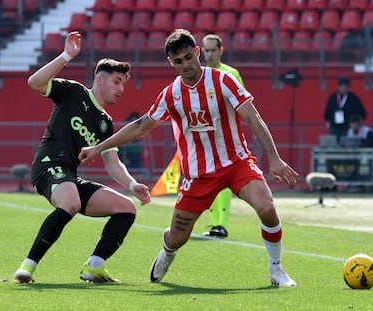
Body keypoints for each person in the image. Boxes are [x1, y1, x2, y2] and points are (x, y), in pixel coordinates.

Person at [79, 29, 298, 287]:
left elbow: (254, 117)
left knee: (267, 208)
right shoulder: (171, 94)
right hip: (198, 174)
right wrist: (98, 147)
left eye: (188, 57)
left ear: (197, 53)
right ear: (171, 63)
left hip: (236, 163)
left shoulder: (223, 80)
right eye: (178, 61)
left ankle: (276, 269)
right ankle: (168, 250)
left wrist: (273, 158)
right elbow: (139, 126)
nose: (186, 65)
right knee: (178, 238)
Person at [13, 31, 151, 284]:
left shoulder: (105, 123)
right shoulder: (74, 92)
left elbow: (113, 163)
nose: (121, 89)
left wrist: (133, 185)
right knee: (71, 202)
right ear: (99, 80)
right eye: (117, 82)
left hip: (70, 177)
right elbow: (34, 82)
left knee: (126, 208)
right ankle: (27, 266)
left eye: (124, 84)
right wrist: (66, 55)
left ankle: (94, 266)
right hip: (48, 166)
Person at [200, 33, 246, 238]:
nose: (209, 54)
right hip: (204, 135)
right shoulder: (199, 74)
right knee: (208, 176)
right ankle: (215, 223)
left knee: (224, 178)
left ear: (221, 50)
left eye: (212, 50)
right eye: (206, 50)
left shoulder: (231, 74)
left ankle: (222, 223)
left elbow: (242, 103)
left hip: (226, 135)